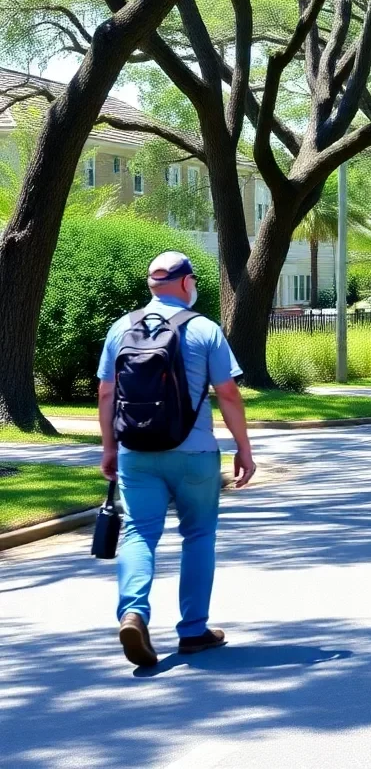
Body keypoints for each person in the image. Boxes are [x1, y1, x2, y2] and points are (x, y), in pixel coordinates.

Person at [98, 251, 256, 668]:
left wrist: (110, 448)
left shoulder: (121, 328)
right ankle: (193, 631)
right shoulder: (204, 329)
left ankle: (133, 613)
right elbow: (227, 394)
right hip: (195, 453)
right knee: (199, 536)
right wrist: (243, 447)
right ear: (187, 283)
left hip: (137, 453)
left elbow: (105, 394)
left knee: (138, 534)